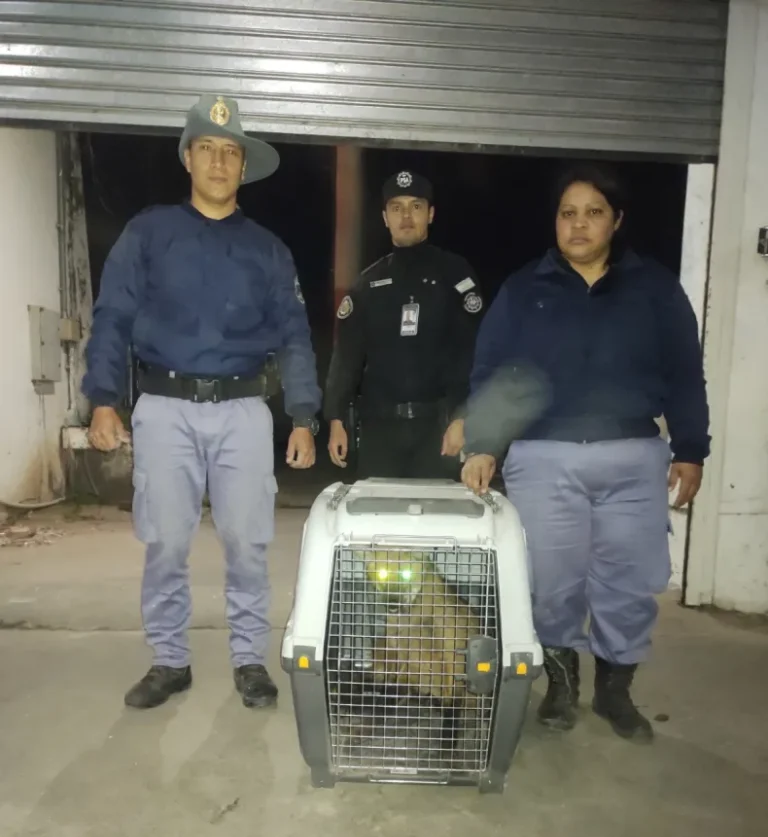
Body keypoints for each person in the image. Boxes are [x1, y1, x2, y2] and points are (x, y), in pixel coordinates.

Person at [83, 94, 321, 711]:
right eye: (208, 149)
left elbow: (295, 333)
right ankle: (169, 659)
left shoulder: (268, 250)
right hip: (164, 407)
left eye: (231, 152)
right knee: (164, 540)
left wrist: (302, 415)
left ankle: (248, 658)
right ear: (188, 158)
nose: (220, 162)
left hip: (244, 410)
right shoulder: (148, 233)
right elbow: (112, 317)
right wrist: (103, 397)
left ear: (245, 167)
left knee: (247, 541)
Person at [461, 163, 710, 743]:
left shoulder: (654, 288)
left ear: (616, 220)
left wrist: (691, 449)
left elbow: (684, 375)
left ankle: (615, 690)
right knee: (552, 581)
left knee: (627, 581)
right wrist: (483, 445)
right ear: (555, 221)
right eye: (568, 213)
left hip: (633, 458)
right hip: (544, 458)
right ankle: (561, 683)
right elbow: (492, 371)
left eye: (593, 212)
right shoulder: (525, 288)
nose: (578, 225)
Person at [324, 170, 483, 478]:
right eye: (397, 208)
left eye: (416, 206)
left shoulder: (455, 276)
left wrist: (463, 417)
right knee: (379, 519)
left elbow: (473, 353)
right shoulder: (368, 284)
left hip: (439, 429)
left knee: (436, 520)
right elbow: (346, 358)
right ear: (385, 217)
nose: (406, 216)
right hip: (379, 430)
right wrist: (336, 420)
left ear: (431, 214)